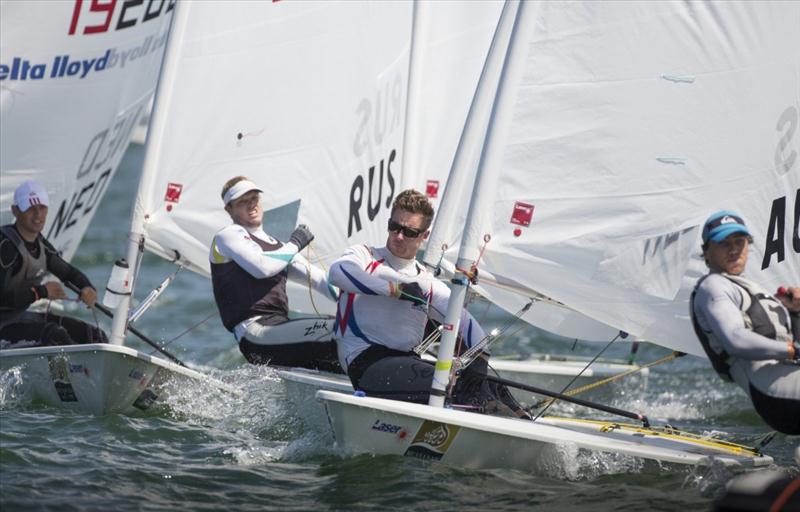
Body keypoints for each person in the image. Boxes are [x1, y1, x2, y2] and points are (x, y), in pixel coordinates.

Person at [329, 189, 524, 415]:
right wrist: (396, 290)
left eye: (409, 232)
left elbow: (473, 332)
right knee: (447, 385)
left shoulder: (428, 284)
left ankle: (522, 423)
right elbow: (339, 273)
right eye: (394, 227)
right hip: (365, 362)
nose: (399, 236)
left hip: (407, 363)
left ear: (424, 235)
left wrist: (477, 370)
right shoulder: (365, 256)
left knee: (494, 388)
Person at [209, 176, 342, 372]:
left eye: (254, 198)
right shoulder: (227, 236)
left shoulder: (280, 249)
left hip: (279, 330)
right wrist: (296, 243)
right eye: (242, 202)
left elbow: (322, 281)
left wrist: (366, 298)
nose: (251, 205)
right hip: (255, 333)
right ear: (229, 209)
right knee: (338, 330)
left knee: (350, 339)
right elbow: (263, 268)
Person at [690, 210, 800, 434]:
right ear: (707, 252)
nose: (733, 250)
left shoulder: (750, 287)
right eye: (723, 243)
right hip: (771, 391)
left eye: (739, 242)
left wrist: (795, 312)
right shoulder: (713, 286)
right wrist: (793, 350)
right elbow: (735, 339)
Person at [0, 180, 107, 347]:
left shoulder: (41, 246)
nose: (37, 215)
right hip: (3, 326)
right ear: (15, 211)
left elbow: (69, 273)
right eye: (30, 209)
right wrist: (40, 291)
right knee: (55, 335)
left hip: (19, 318)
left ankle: (93, 371)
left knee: (93, 335)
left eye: (42, 208)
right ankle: (73, 372)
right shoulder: (5, 247)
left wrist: (86, 287)